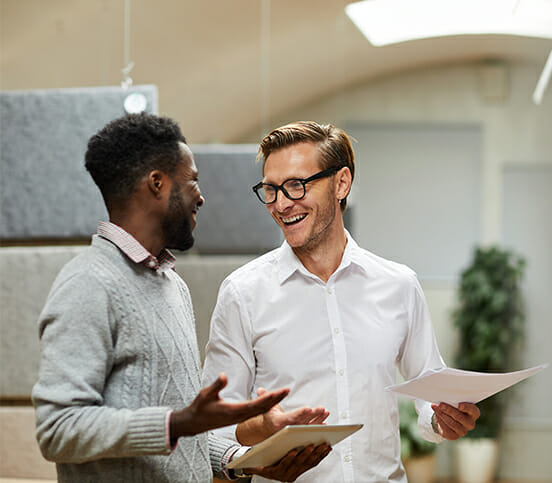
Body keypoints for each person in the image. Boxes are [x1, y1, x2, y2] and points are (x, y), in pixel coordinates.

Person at [32, 113, 331, 483]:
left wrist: (243, 459)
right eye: (192, 181)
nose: (201, 197)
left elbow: (181, 435)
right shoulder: (88, 284)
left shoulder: (173, 286)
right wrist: (178, 422)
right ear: (157, 184)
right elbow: (57, 430)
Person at [202, 121, 481, 482]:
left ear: (341, 183)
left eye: (297, 185)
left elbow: (429, 392)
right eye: (270, 189)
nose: (282, 204)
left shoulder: (399, 286)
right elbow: (213, 425)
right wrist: (260, 429)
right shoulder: (242, 293)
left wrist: (443, 420)